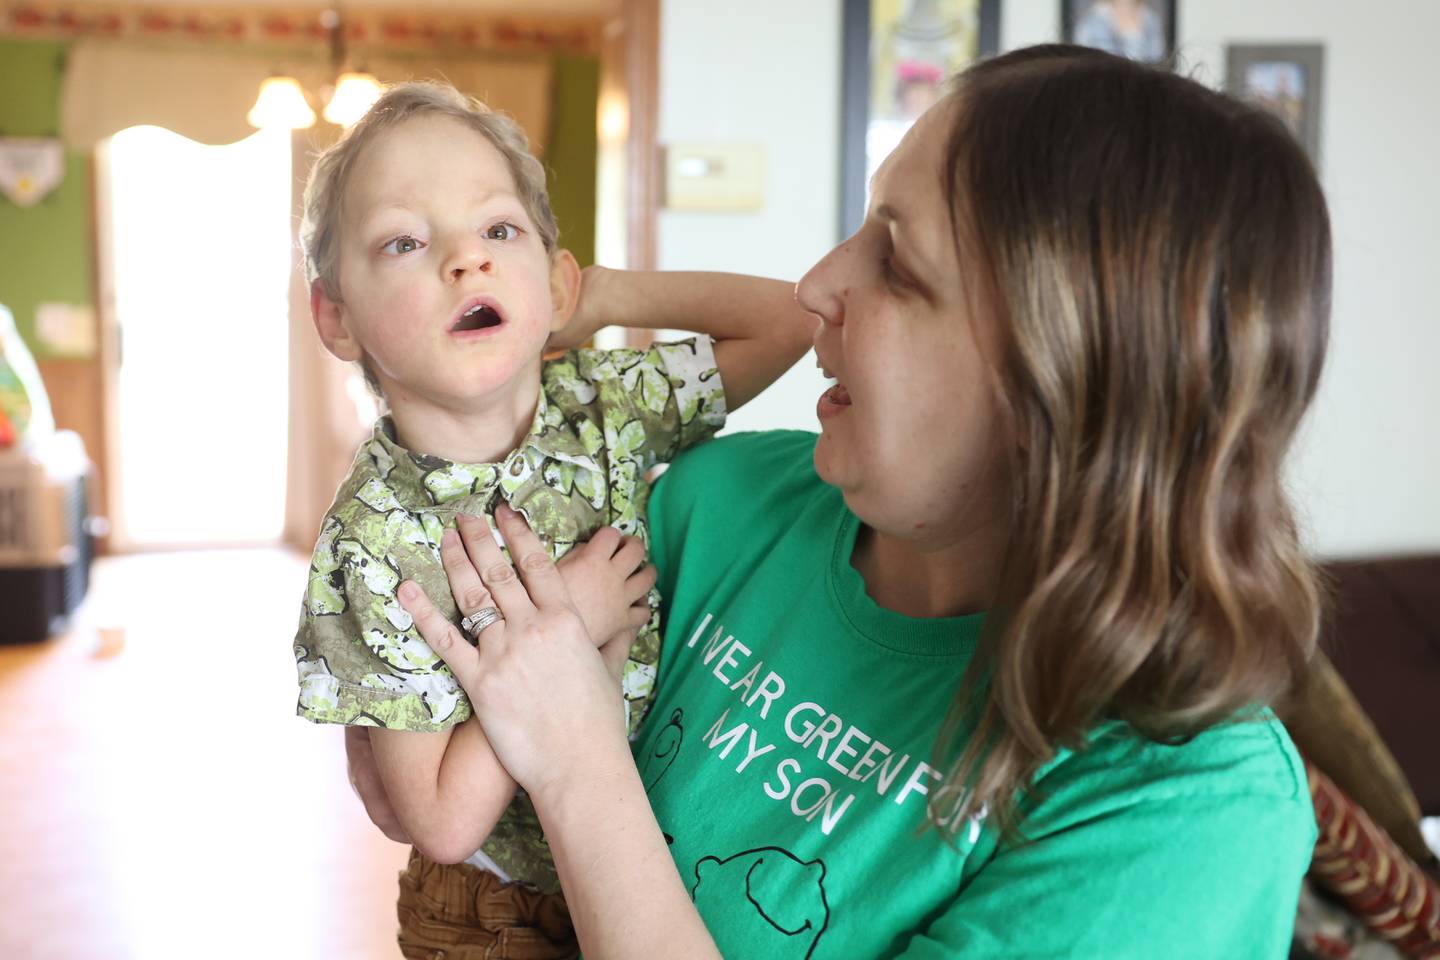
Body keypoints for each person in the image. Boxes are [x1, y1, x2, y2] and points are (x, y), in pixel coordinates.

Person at [359, 45, 1331, 957]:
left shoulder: (1188, 808)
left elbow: (548, 731)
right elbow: (423, 777)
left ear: (1063, 382)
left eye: (898, 266)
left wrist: (576, 762)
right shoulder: (718, 504)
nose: (819, 283)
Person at [291, 81, 813, 958]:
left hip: (650, 865)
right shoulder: (369, 544)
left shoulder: (604, 403)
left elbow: (794, 320)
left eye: (500, 230)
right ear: (336, 318)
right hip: (495, 913)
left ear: (552, 275)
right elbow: (445, 821)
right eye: (405, 242)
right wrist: (563, 624)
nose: (467, 260)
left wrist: (603, 296)